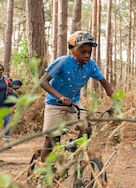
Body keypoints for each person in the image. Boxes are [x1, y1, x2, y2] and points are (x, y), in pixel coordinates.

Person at [39, 30, 114, 162]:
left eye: (89, 52)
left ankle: (74, 152)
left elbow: (105, 83)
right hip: (54, 103)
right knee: (51, 139)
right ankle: (44, 172)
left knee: (87, 128)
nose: (87, 55)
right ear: (73, 51)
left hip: (74, 103)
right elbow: (43, 81)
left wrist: (117, 102)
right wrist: (60, 97)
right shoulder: (62, 62)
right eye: (83, 52)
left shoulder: (91, 65)